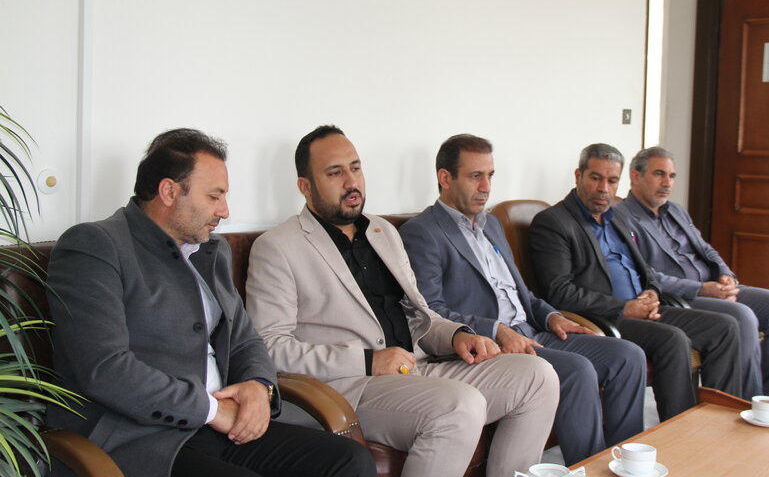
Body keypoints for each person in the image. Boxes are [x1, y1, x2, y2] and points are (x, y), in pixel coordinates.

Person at [45, 128, 374, 477]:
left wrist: (258, 387)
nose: (225, 211)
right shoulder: (95, 246)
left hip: (222, 427)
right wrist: (211, 410)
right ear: (169, 191)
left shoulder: (210, 251)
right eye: (214, 196)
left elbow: (246, 340)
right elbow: (106, 369)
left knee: (349, 460)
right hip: (143, 438)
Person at [245, 126, 559, 477]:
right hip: (350, 385)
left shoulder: (383, 232)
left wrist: (456, 335)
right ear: (305, 186)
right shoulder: (278, 247)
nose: (351, 181)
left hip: (417, 368)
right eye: (335, 173)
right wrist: (369, 361)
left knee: (538, 376)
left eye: (355, 167)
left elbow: (418, 314)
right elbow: (271, 348)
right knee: (459, 405)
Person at [399, 134, 646, 464]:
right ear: (445, 178)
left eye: (490, 175)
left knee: (628, 356)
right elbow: (430, 312)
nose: (486, 187)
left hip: (533, 330)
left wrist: (552, 316)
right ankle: (591, 466)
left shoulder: (491, 225)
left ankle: (629, 463)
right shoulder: (423, 232)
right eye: (475, 176)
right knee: (577, 370)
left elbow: (520, 292)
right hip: (490, 347)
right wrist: (497, 330)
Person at [529, 142, 743, 420]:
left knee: (725, 327)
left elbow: (646, 270)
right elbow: (560, 292)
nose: (604, 188)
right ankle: (680, 428)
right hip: (605, 317)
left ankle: (721, 421)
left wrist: (652, 292)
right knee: (673, 339)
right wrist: (624, 307)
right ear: (578, 175)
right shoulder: (554, 222)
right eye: (596, 178)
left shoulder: (617, 216)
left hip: (644, 308)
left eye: (612, 181)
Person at [622, 146, 769, 404]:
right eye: (659, 174)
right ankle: (744, 406)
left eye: (672, 176)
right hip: (682, 297)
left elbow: (706, 249)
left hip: (714, 287)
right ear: (635, 176)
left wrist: (727, 276)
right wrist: (702, 289)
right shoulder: (622, 218)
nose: (667, 183)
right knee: (742, 316)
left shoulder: (676, 211)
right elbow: (645, 275)